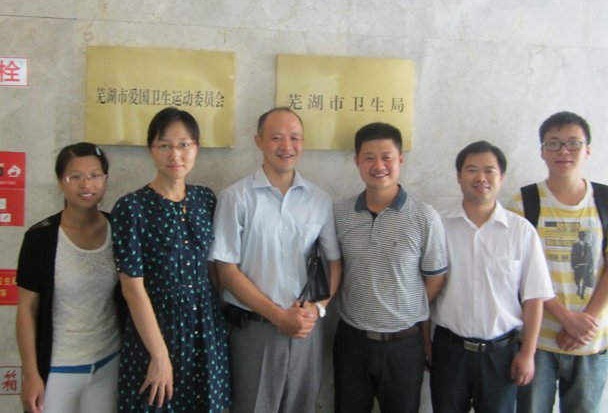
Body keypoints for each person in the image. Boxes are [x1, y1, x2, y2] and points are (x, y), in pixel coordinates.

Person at [210, 107, 342, 413]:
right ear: (259, 141)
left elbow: (334, 262)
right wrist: (278, 316)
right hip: (253, 330)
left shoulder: (319, 199)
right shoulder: (236, 197)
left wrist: (318, 309)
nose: (286, 146)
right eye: (276, 138)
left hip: (306, 330)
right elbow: (226, 271)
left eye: (294, 138)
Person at [509, 111, 608, 413]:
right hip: (537, 340)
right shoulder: (523, 203)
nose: (563, 151)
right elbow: (517, 272)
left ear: (587, 150)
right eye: (553, 143)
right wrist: (566, 317)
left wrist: (584, 320)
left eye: (573, 143)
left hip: (592, 338)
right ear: (542, 151)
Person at [111, 107, 230, 412]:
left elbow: (213, 268)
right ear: (151, 149)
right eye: (164, 145)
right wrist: (160, 356)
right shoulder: (131, 207)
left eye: (184, 145)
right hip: (156, 329)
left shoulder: (205, 199)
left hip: (206, 328)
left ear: (196, 148)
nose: (175, 154)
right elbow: (132, 288)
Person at [429, 140, 554, 413]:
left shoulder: (521, 232)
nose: (481, 178)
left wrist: (528, 353)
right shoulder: (438, 226)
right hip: (449, 351)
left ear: (502, 177)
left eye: (489, 170)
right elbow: (425, 290)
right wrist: (425, 342)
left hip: (501, 355)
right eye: (472, 170)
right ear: (458, 176)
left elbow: (534, 299)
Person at [332, 122, 447, 413]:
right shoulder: (340, 213)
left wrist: (403, 306)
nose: (379, 165)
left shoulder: (425, 217)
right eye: (369, 157)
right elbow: (335, 267)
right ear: (357, 161)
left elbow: (435, 278)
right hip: (351, 341)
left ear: (400, 159)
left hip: (403, 345)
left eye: (387, 157)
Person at [16, 142, 125, 413]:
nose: (86, 184)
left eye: (95, 175)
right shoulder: (40, 237)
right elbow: (27, 310)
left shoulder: (119, 229)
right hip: (57, 368)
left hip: (108, 363)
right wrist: (31, 374)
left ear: (105, 179)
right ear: (60, 181)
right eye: (75, 176)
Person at [571, 231, 594, 299]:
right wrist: (573, 265)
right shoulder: (575, 245)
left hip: (586, 265)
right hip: (578, 265)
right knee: (577, 279)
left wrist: (591, 266)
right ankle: (578, 287)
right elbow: (572, 255)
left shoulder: (588, 246)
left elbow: (590, 256)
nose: (583, 237)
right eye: (582, 236)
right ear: (579, 236)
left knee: (585, 280)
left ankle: (582, 292)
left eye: (584, 236)